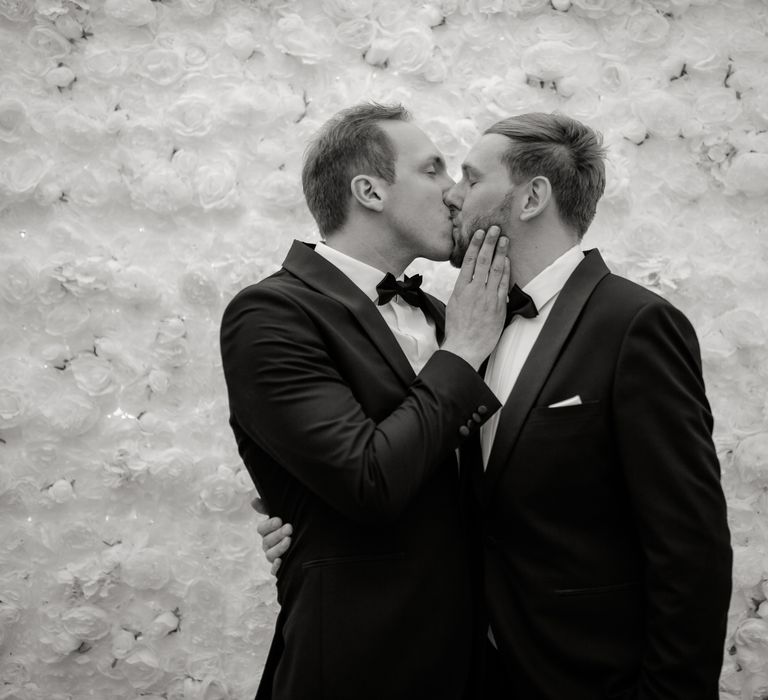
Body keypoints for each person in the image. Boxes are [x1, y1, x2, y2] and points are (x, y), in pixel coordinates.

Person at [259, 111, 733, 700]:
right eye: (437, 171)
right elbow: (398, 464)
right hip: (460, 671)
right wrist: (309, 523)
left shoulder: (633, 325)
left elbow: (691, 549)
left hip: (589, 675)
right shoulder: (464, 326)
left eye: (467, 177)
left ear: (532, 197)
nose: (453, 195)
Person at [219, 103, 510, 700]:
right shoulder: (271, 314)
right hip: (360, 664)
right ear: (369, 191)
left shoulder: (439, 316)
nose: (455, 195)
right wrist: (465, 350)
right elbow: (367, 480)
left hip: (472, 666)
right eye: (433, 171)